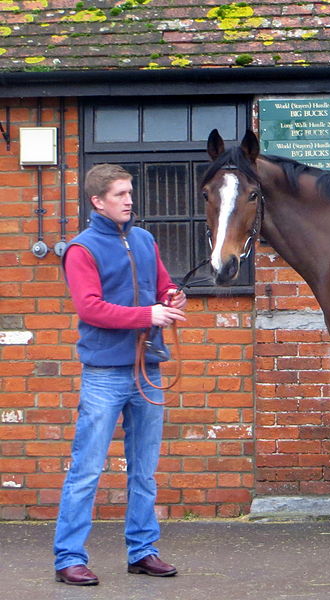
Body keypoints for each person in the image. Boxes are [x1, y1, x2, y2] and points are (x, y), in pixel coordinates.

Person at [53, 164, 187, 586]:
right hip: (104, 374)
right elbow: (90, 308)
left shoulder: (145, 239)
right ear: (98, 201)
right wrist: (148, 313)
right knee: (87, 469)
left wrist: (171, 295)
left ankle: (143, 551)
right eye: (120, 194)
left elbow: (162, 286)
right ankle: (68, 557)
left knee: (144, 470)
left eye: (130, 193)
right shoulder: (81, 249)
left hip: (147, 367)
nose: (130, 200)